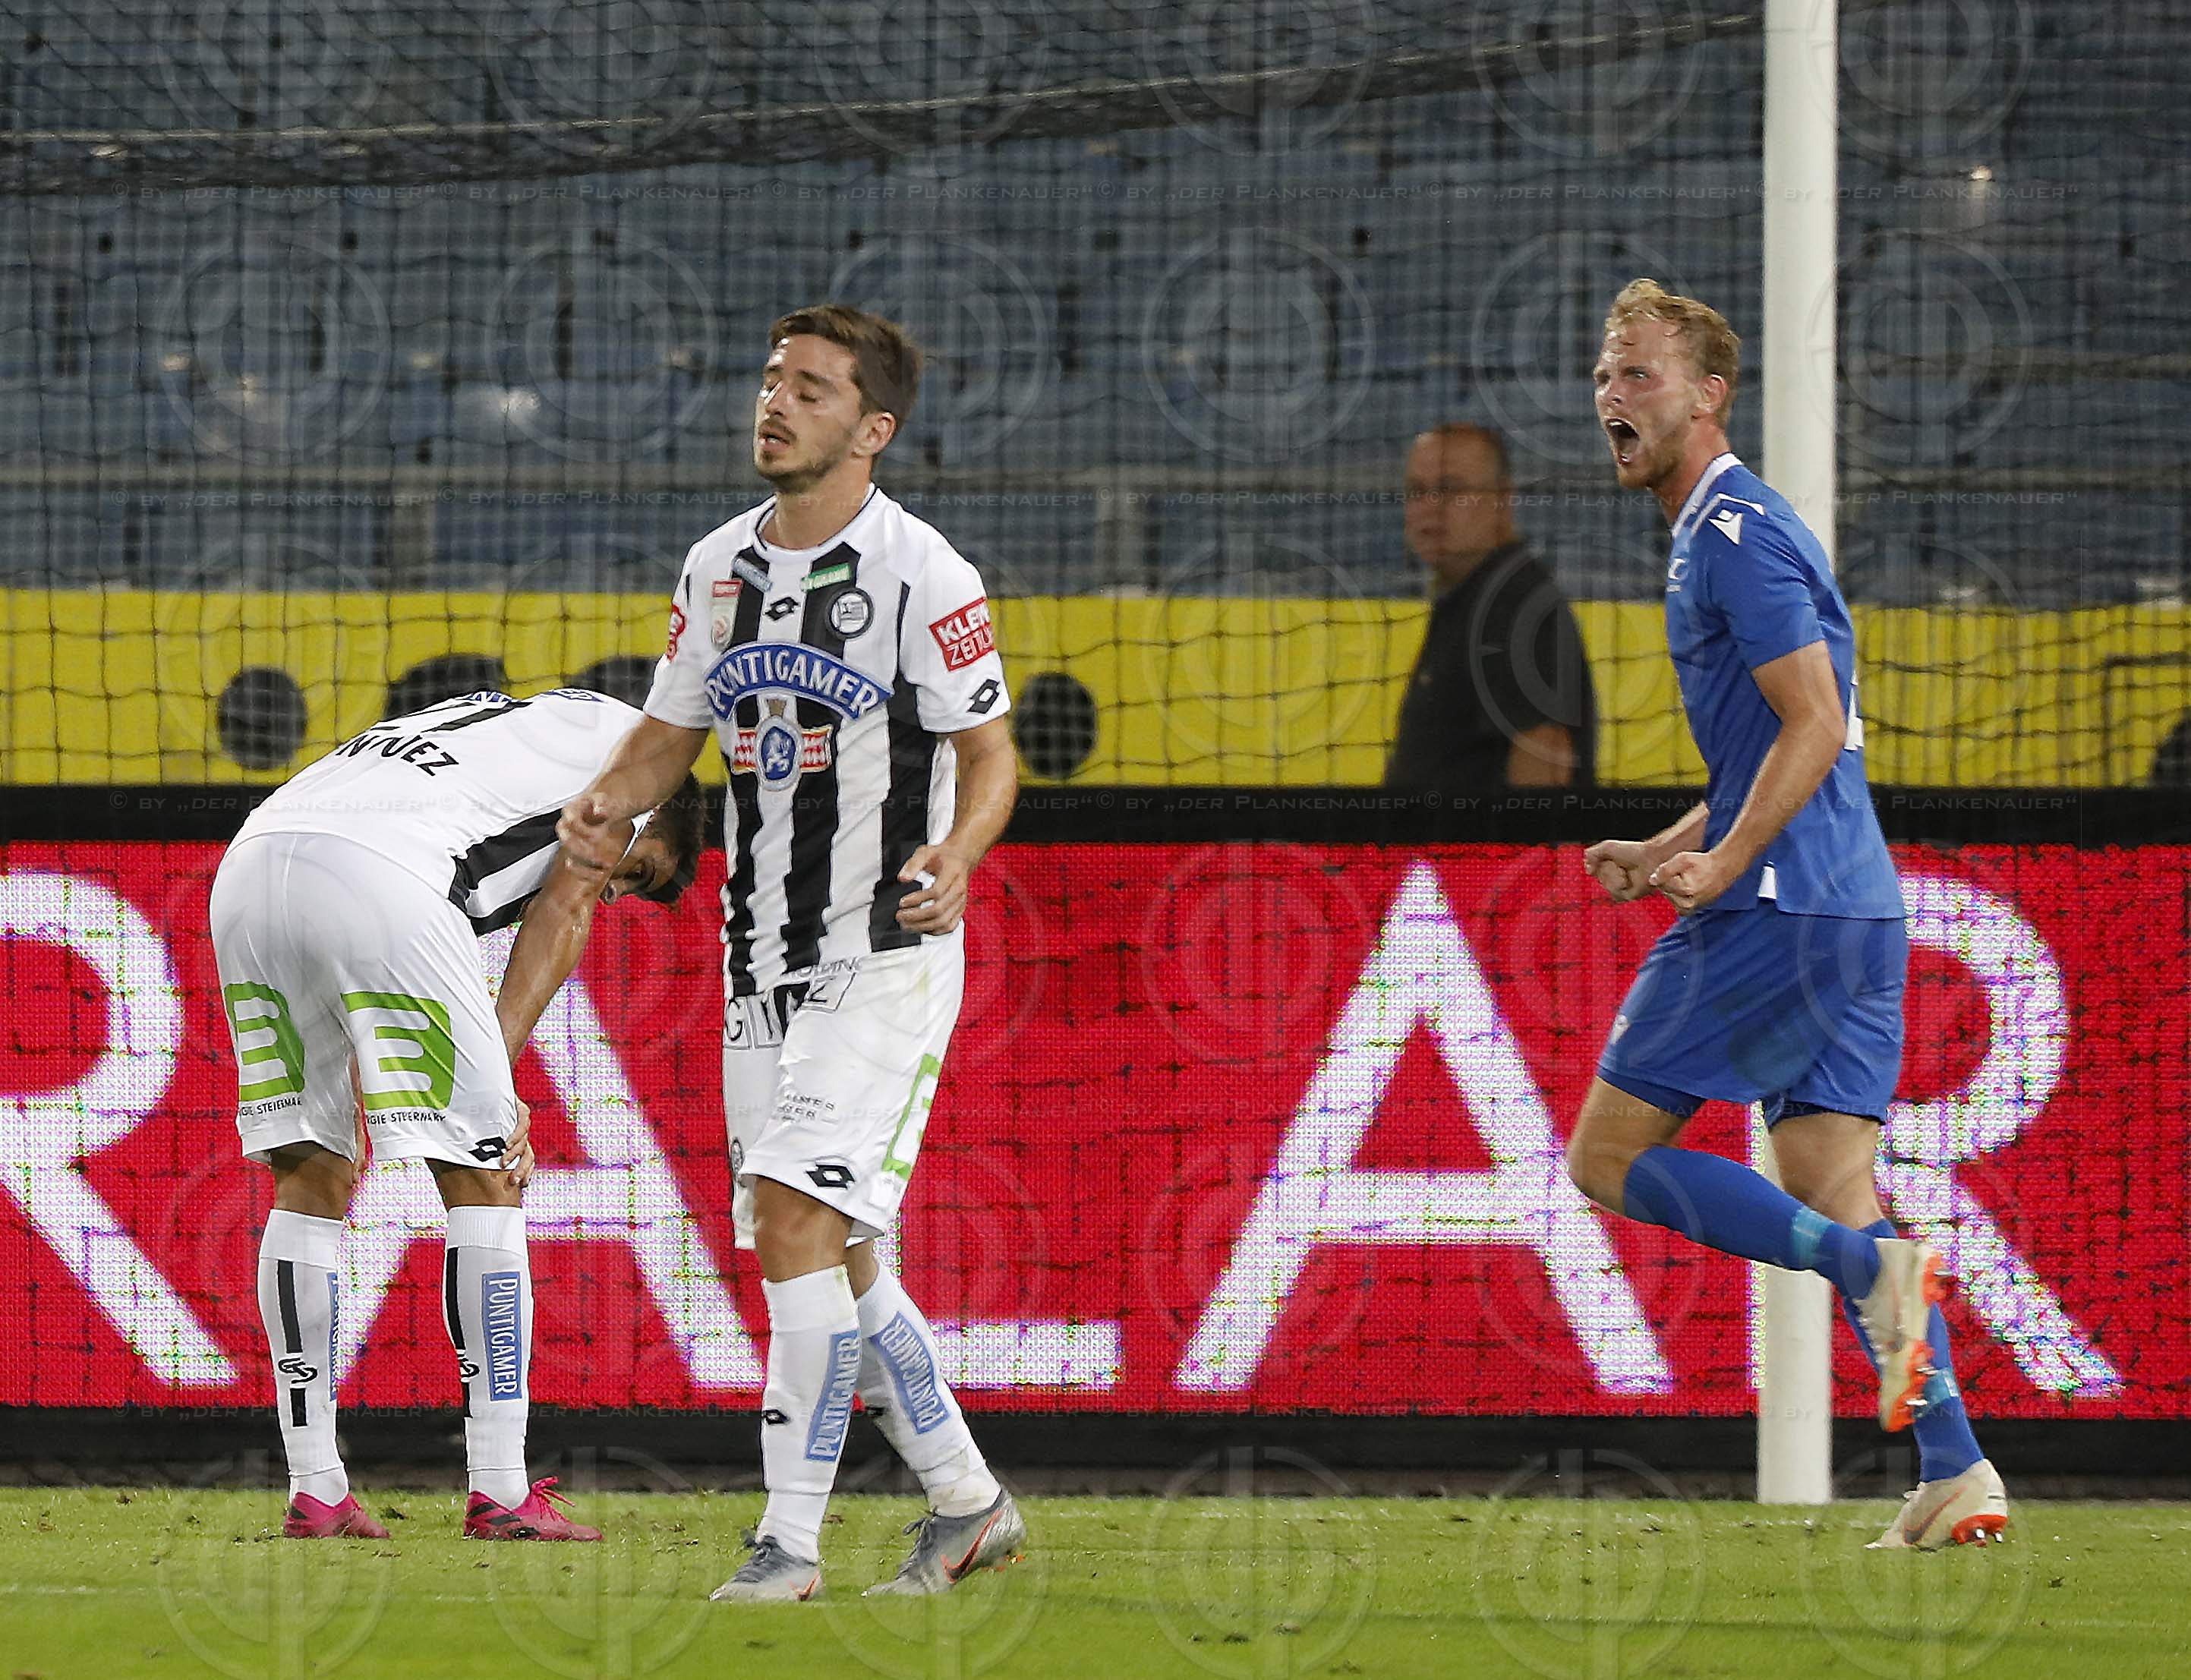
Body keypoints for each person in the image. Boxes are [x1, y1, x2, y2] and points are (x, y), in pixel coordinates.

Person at [557, 304, 1026, 1601]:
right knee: (839, 1255)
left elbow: (990, 757)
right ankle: (969, 1503)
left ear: (871, 430)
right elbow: (668, 734)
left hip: (881, 953)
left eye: (812, 390)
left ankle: (789, 1544)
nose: (777, 403)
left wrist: (959, 854)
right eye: (774, 381)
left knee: (795, 1222)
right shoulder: (717, 569)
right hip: (753, 962)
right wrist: (607, 802)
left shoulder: (926, 573)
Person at [1568, 279, 2007, 1550]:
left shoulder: (1733, 536)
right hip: (1854, 910)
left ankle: (1863, 1273)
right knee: (1832, 1179)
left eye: (1638, 373)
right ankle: (1957, 1469)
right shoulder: (1731, 523)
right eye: (1603, 373)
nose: (1610, 393)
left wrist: (1725, 863)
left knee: (1605, 1157)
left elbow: (1813, 723)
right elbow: (1787, 738)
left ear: (1708, 394)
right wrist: (1668, 844)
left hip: (1783, 907)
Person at [211, 687, 705, 1541]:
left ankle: (316, 1487)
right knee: (487, 1174)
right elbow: (568, 901)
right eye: (643, 872)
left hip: (252, 865)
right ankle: (503, 1488)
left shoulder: (514, 723)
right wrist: (499, 1079)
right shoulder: (649, 761)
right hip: (388, 873)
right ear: (666, 812)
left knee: (312, 1170)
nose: (622, 887)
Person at [1384, 422, 1597, 791]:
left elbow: (1544, 763)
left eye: (1451, 489)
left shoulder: (1513, 601)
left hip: (1482, 850)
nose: (1429, 508)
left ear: (1502, 498)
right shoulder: (1472, 596)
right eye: (1417, 491)